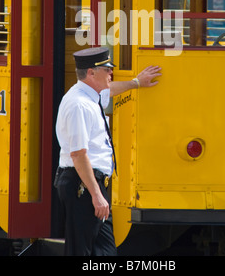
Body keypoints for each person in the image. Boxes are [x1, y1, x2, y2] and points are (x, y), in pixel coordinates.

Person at [55, 46, 161, 256]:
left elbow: (109, 91)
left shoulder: (91, 95)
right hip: (83, 185)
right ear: (91, 73)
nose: (111, 73)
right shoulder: (79, 105)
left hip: (92, 185)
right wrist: (96, 195)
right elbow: (78, 154)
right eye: (106, 70)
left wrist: (137, 83)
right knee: (81, 251)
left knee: (105, 251)